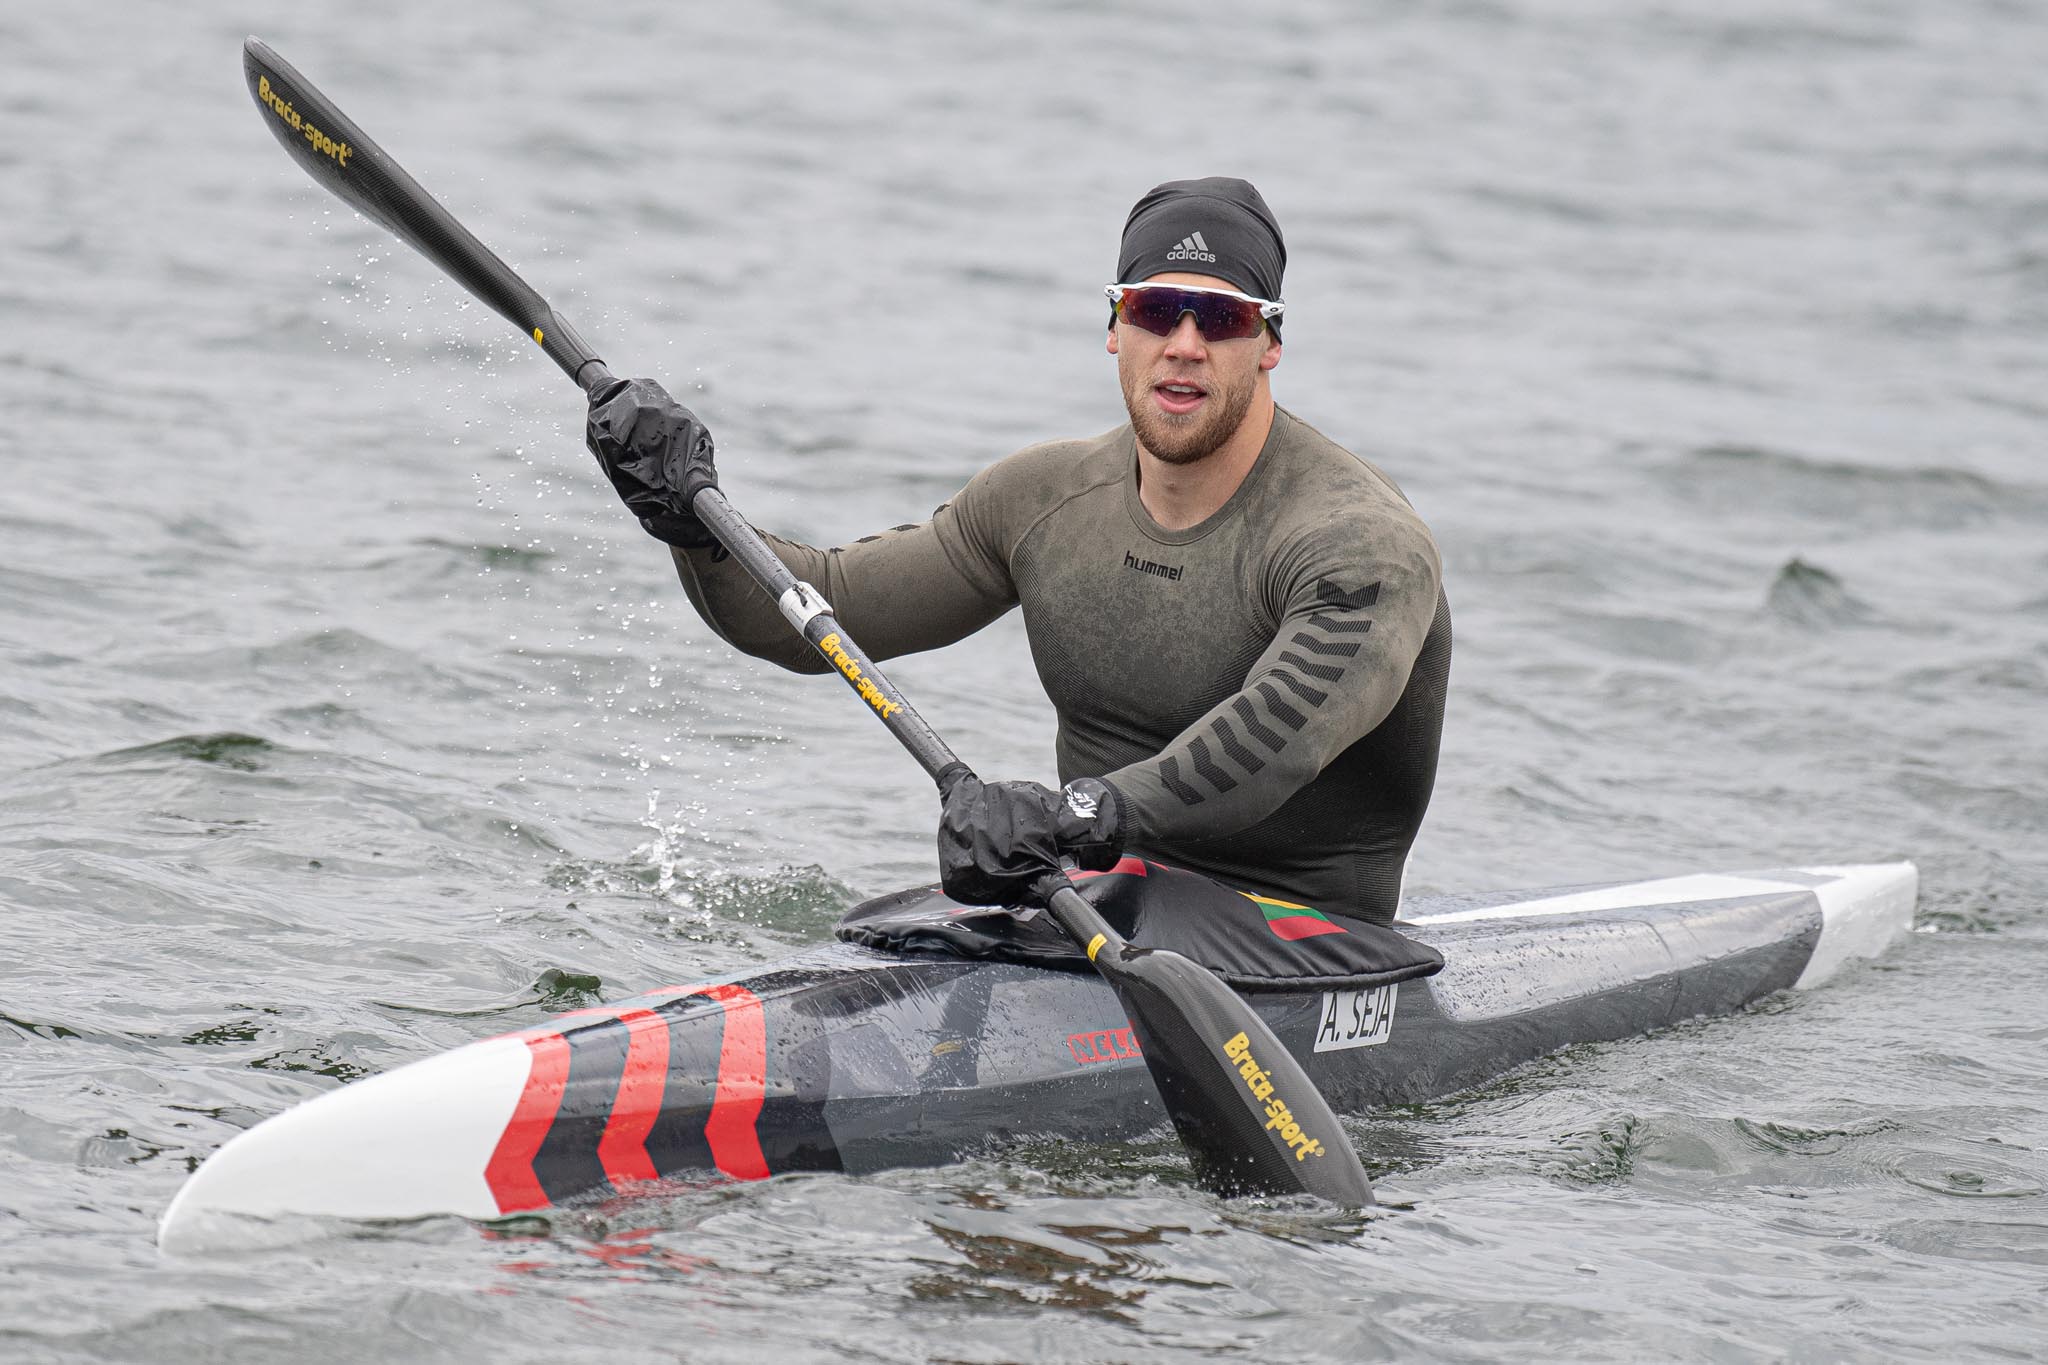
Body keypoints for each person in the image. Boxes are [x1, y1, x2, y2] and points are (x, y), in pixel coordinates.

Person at [585, 177, 1451, 925]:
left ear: (1269, 345)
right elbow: (814, 608)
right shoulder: (1045, 499)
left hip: (1301, 933)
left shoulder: (1360, 543)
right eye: (1154, 307)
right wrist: (690, 521)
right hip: (1089, 901)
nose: (1184, 343)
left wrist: (1075, 813)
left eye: (1222, 317)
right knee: (874, 930)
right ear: (1116, 326)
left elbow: (1273, 744)